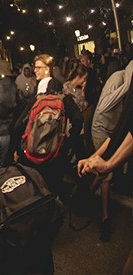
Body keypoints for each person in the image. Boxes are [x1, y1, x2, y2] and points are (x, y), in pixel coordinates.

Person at [12, 54, 84, 198]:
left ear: (47, 69)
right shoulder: (63, 97)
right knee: (54, 191)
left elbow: (18, 126)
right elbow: (78, 118)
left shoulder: (37, 99)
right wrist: (68, 141)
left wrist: (18, 150)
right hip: (56, 154)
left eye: (38, 67)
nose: (35, 70)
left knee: (37, 192)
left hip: (32, 156)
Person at [89, 61, 133, 241]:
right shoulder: (118, 78)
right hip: (102, 130)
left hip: (113, 130)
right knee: (106, 176)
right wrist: (127, 86)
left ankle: (87, 192)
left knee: (102, 172)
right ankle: (105, 218)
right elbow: (104, 106)